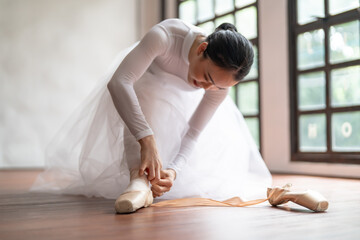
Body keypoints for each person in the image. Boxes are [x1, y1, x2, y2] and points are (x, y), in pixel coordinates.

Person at [31, 18, 272, 213]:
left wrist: (174, 171)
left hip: (179, 107)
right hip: (141, 89)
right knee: (147, 93)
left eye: (217, 87)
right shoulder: (166, 36)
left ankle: (155, 179)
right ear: (202, 49)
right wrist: (146, 139)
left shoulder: (218, 86)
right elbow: (119, 82)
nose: (206, 88)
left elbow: (194, 132)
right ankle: (137, 179)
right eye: (207, 78)